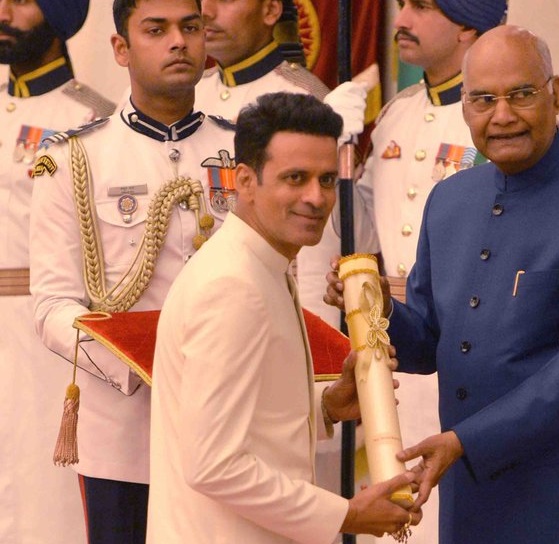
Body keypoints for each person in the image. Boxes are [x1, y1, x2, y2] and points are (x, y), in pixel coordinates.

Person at [326, 25, 559, 543]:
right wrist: (372, 309)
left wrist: (464, 441)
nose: (501, 116)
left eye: (521, 94)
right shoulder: (450, 200)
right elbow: (432, 339)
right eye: (482, 99)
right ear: (465, 107)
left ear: (556, 95)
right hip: (474, 498)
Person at [147, 92, 420, 544]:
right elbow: (213, 463)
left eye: (328, 180)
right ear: (245, 181)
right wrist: (346, 514)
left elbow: (248, 419)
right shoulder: (232, 285)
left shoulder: (261, 265)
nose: (316, 198)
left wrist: (329, 404)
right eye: (295, 178)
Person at [29, 0, 237, 542]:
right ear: (120, 48)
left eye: (190, 28)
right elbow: (52, 305)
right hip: (125, 433)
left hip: (232, 425)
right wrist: (142, 364)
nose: (178, 42)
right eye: (156, 29)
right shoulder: (74, 157)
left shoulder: (244, 150)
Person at [327, 2, 509, 542]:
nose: (401, 18)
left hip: (468, 359)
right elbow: (351, 231)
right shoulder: (396, 113)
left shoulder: (500, 123)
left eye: (422, 6)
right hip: (392, 353)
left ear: (467, 25)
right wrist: (336, 150)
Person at [0, 0, 114, 542]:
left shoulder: (91, 118)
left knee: (47, 503)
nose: (2, 11)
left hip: (46, 333)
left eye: (20, 1)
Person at [194, 0, 370, 328]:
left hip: (287, 317)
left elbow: (353, 235)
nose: (207, 11)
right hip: (205, 308)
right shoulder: (189, 97)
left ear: (271, 10)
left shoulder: (311, 101)